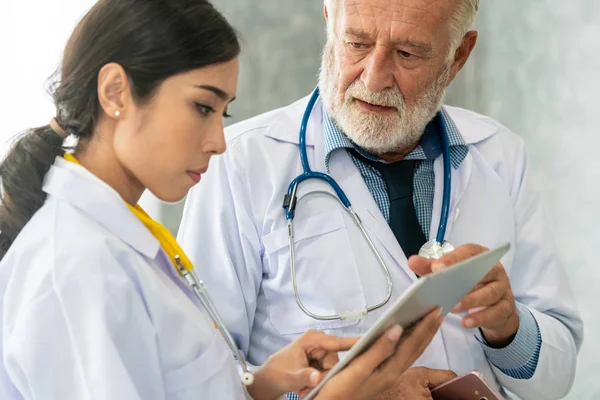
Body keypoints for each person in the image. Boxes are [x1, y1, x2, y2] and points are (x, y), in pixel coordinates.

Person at [0, 0, 447, 399]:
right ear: (116, 92)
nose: (218, 141)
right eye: (201, 107)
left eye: (223, 112)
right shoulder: (75, 268)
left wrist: (261, 384)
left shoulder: (122, 237)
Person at [177, 0, 584, 399]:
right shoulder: (238, 163)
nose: (373, 78)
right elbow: (194, 380)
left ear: (459, 56)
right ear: (329, 23)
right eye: (356, 44)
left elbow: (556, 378)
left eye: (407, 54)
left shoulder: (500, 155)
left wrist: (508, 328)